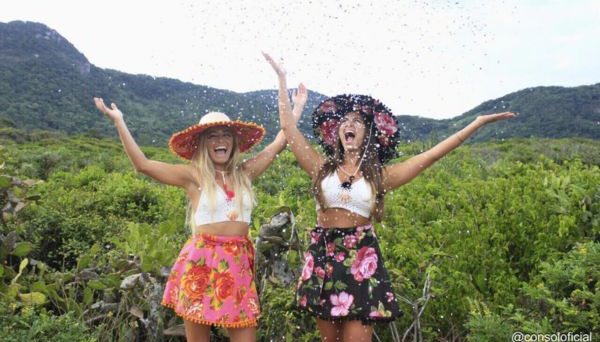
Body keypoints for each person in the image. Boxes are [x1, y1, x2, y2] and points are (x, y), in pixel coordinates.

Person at [263, 53, 516, 341]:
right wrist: (282, 80)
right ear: (337, 133)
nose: (350, 124)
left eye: (358, 121)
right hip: (324, 256)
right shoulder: (321, 168)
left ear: (367, 133)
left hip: (360, 258)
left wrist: (478, 122)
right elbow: (288, 128)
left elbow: (431, 155)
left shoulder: (380, 177)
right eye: (346, 120)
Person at [93, 90, 306, 342]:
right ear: (203, 143)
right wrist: (119, 120)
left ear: (233, 142)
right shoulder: (193, 176)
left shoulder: (245, 173)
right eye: (212, 136)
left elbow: (280, 141)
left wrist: (298, 107)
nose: (220, 140)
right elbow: (143, 164)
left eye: (225, 134)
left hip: (237, 264)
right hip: (201, 262)